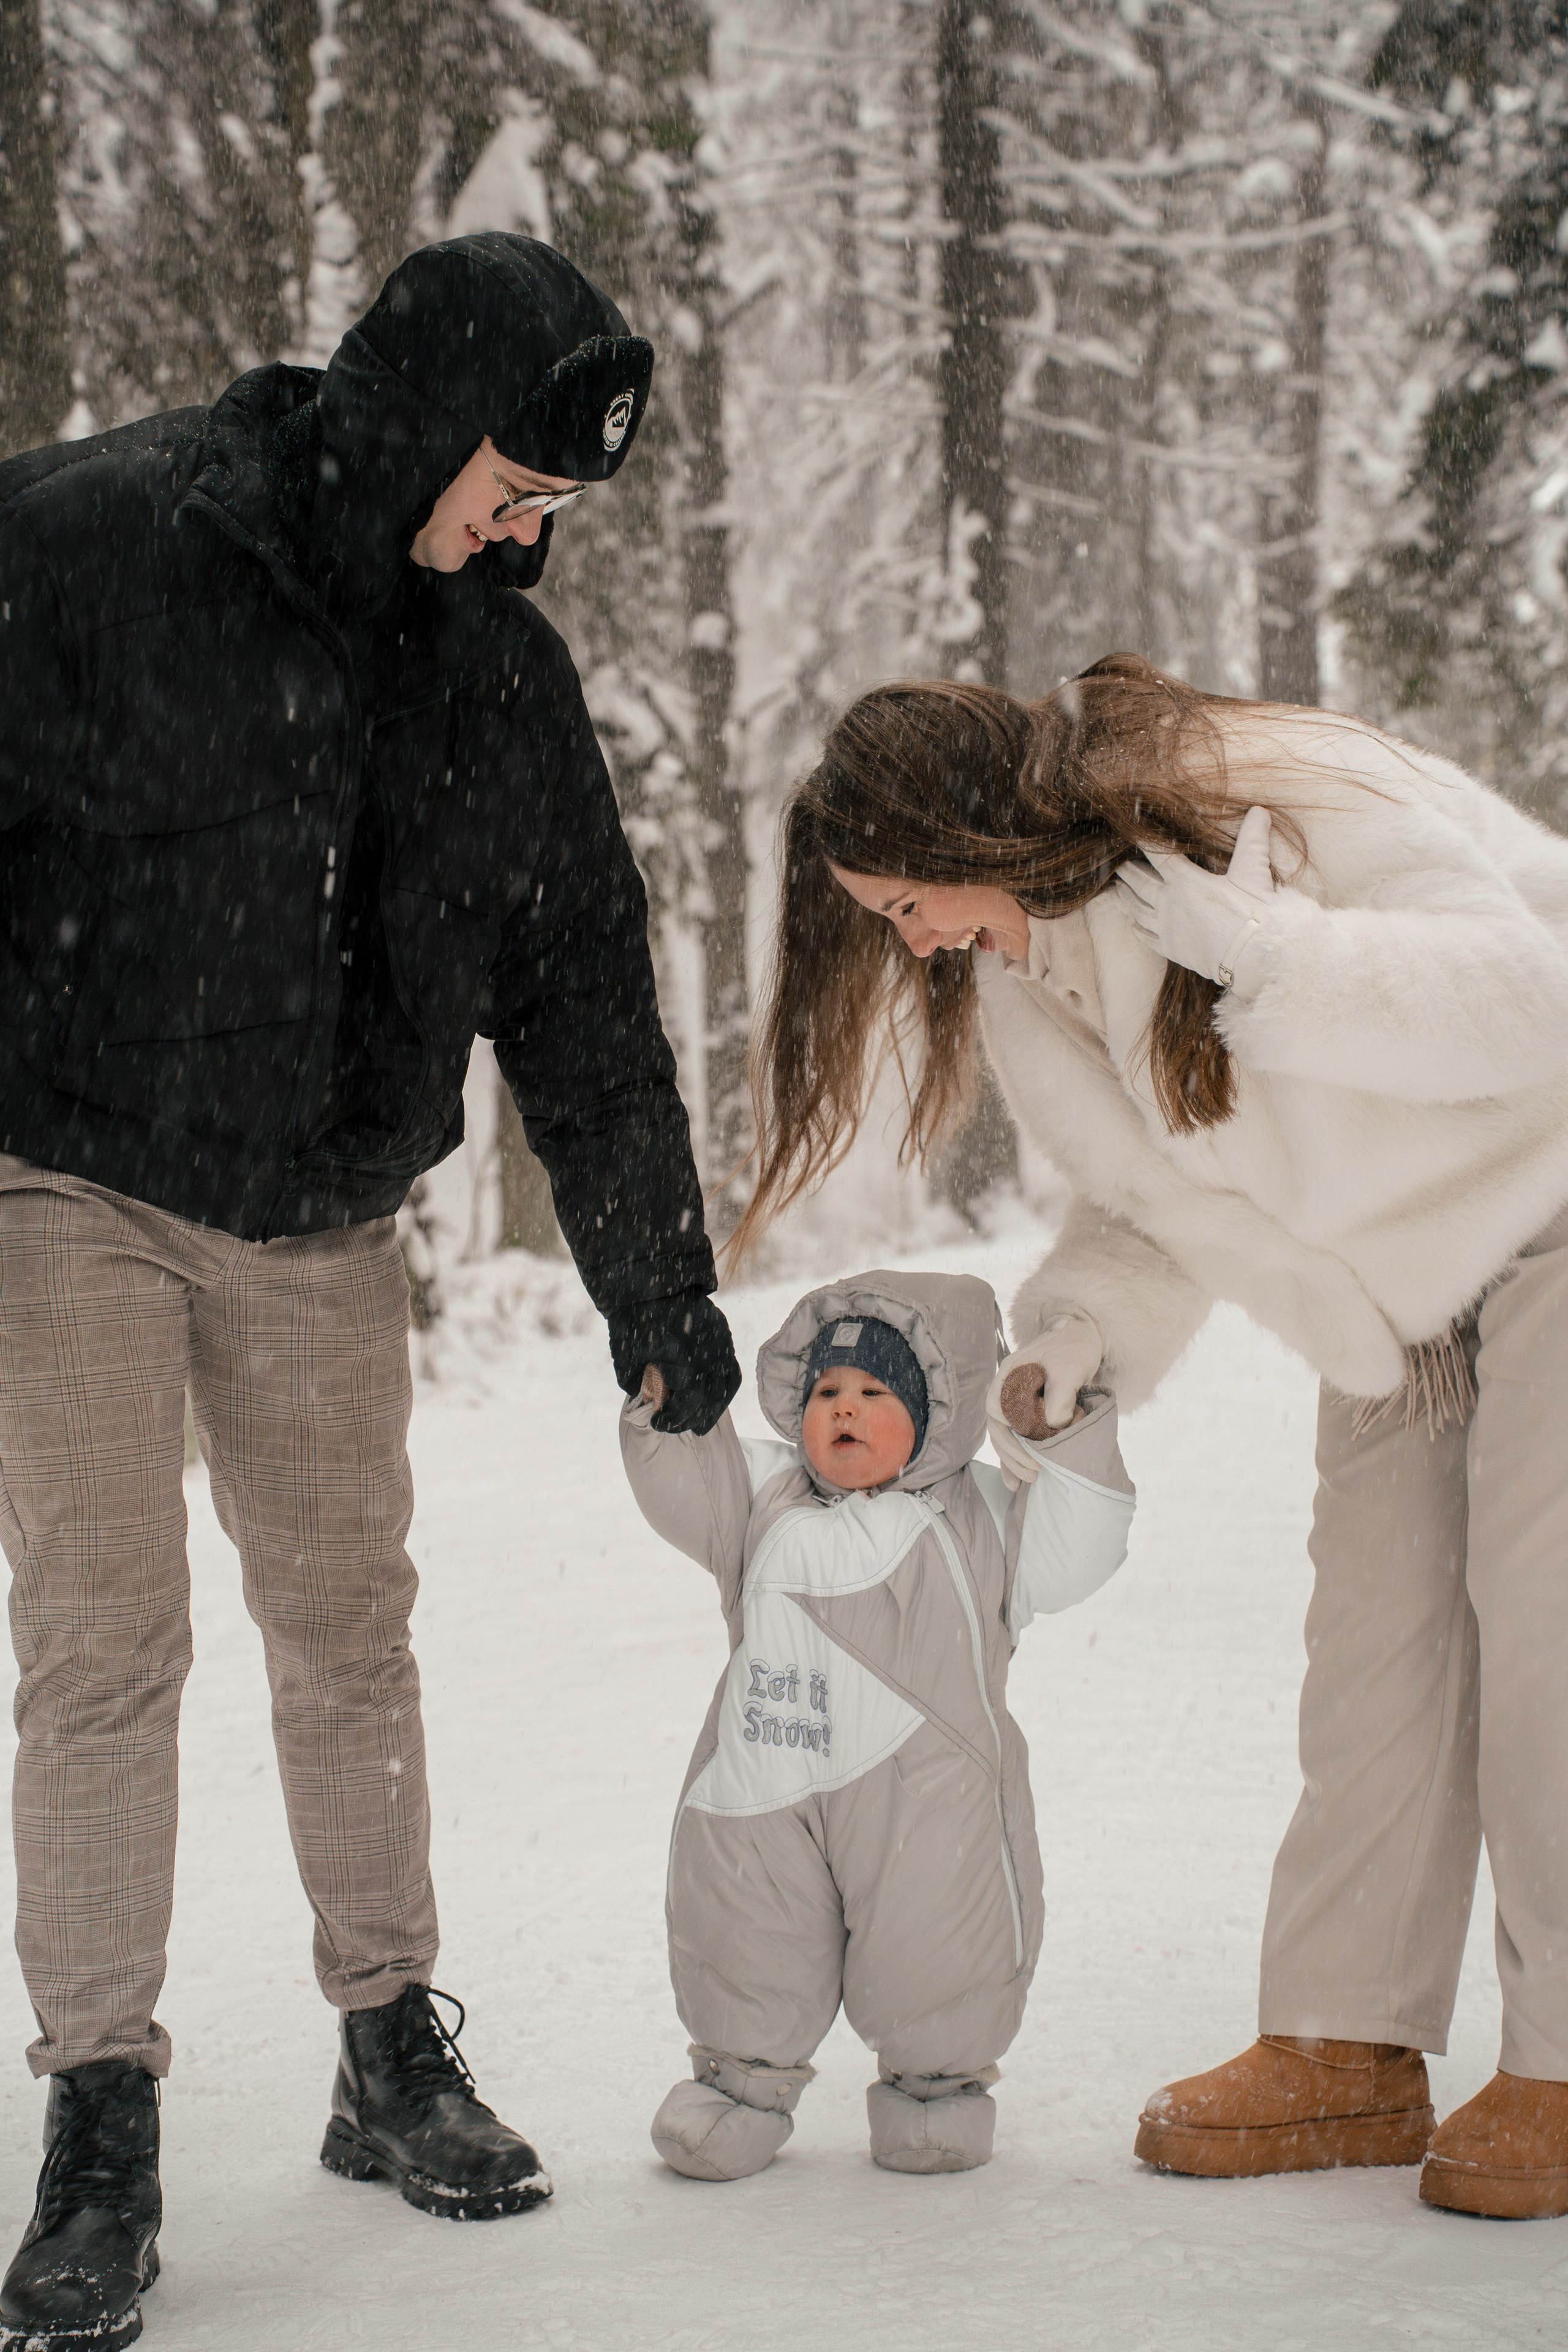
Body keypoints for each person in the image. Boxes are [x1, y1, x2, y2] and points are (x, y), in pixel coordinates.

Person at [0, 232, 739, 2346]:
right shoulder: (92, 548)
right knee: (105, 1638)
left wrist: (656, 1286)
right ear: (420, 418)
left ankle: (388, 2039)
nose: (526, 535)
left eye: (554, 513)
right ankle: (100, 2109)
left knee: (347, 1622)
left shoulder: (496, 679)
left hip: (324, 1207)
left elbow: (586, 1000)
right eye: (513, 485)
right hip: (70, 1171)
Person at [729, 655, 1568, 2222]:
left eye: (904, 898)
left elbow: (1529, 1003)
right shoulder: (1024, 975)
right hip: (1388, 1303)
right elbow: (1154, 1194)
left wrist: (1272, 954)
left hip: (1549, 1204)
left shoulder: (1262, 788)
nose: (905, 939)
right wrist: (1083, 1331)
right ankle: (1348, 2042)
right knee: (1371, 1650)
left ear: (964, 830)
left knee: (1548, 1637)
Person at [620, 1270, 1134, 2180]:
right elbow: (686, 1484)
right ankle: (739, 2080)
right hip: (765, 1781)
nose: (843, 1410)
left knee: (937, 1939)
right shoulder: (766, 1491)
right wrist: (665, 1407)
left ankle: (935, 2086)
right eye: (825, 1392)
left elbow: (1082, 1541)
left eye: (873, 1393)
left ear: (936, 1412)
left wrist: (1070, 1437)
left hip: (926, 1798)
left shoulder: (979, 1514)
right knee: (744, 1928)